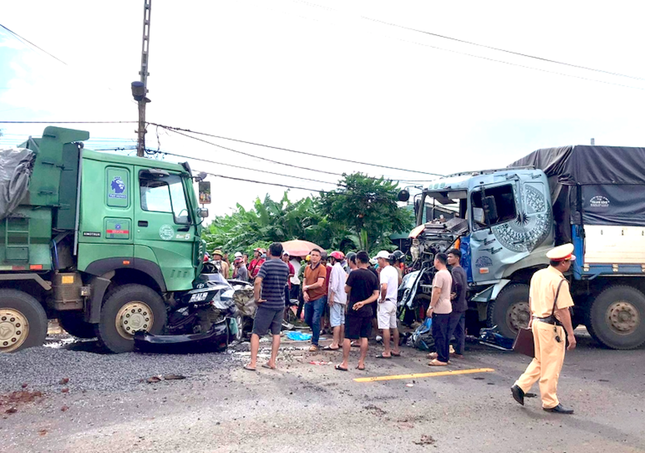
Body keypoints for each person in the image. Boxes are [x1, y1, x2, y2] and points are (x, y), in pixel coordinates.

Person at [511, 244, 577, 414]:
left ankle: (520, 386)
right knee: (552, 364)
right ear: (563, 263)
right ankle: (550, 401)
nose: (569, 265)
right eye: (569, 262)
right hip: (551, 327)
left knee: (540, 360)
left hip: (538, 323)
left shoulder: (538, 275)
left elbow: (532, 298)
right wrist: (570, 334)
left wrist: (532, 318)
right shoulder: (560, 281)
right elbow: (563, 311)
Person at [244, 242, 290, 371]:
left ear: (269, 252)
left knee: (256, 333)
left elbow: (258, 281)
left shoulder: (266, 264)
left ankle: (253, 363)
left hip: (266, 303)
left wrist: (257, 298)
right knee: (276, 333)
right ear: (281, 253)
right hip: (279, 304)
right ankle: (272, 361)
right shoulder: (285, 266)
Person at [336, 251, 379, 372]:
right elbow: (376, 294)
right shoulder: (373, 275)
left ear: (358, 260)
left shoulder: (354, 274)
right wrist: (364, 302)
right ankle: (361, 363)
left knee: (348, 336)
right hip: (367, 309)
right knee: (364, 336)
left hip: (353, 308)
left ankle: (345, 363)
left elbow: (346, 289)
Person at [426, 253, 452, 366]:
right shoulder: (448, 273)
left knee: (439, 333)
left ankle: (442, 358)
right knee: (444, 334)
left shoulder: (439, 275)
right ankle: (443, 355)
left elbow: (437, 291)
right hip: (447, 306)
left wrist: (431, 306)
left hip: (440, 308)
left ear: (437, 261)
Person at [374, 251, 401, 359]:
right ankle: (396, 349)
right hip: (393, 300)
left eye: (378, 259)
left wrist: (383, 297)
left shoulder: (385, 271)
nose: (377, 261)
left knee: (385, 327)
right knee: (393, 326)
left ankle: (386, 351)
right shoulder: (394, 270)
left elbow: (384, 287)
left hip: (386, 301)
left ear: (383, 259)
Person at [303, 248, 327, 351]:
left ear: (320, 257)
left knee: (315, 319)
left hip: (319, 296)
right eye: (313, 255)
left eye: (317, 255)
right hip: (308, 296)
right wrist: (304, 292)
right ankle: (315, 333)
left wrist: (307, 288)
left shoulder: (322, 268)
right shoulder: (307, 268)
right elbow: (304, 281)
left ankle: (315, 342)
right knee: (307, 319)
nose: (314, 257)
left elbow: (319, 283)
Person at [446, 248, 467, 358]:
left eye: (451, 257)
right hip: (462, 305)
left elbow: (458, 284)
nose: (448, 259)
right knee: (459, 330)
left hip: (456, 305)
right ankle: (459, 352)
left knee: (449, 328)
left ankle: (443, 352)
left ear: (457, 258)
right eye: (448, 257)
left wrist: (454, 295)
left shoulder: (455, 270)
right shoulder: (462, 270)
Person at [324, 251, 347, 350]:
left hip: (336, 297)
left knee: (335, 321)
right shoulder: (341, 269)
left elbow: (334, 284)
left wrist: (332, 296)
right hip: (342, 298)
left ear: (333, 259)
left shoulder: (335, 269)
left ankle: (334, 343)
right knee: (341, 321)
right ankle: (341, 341)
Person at [282, 251, 295, 315]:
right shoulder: (280, 264)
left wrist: (287, 275)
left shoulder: (290, 265)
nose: (285, 257)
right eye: (284, 256)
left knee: (287, 301)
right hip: (281, 284)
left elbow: (293, 274)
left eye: (287, 256)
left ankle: (286, 314)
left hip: (288, 284)